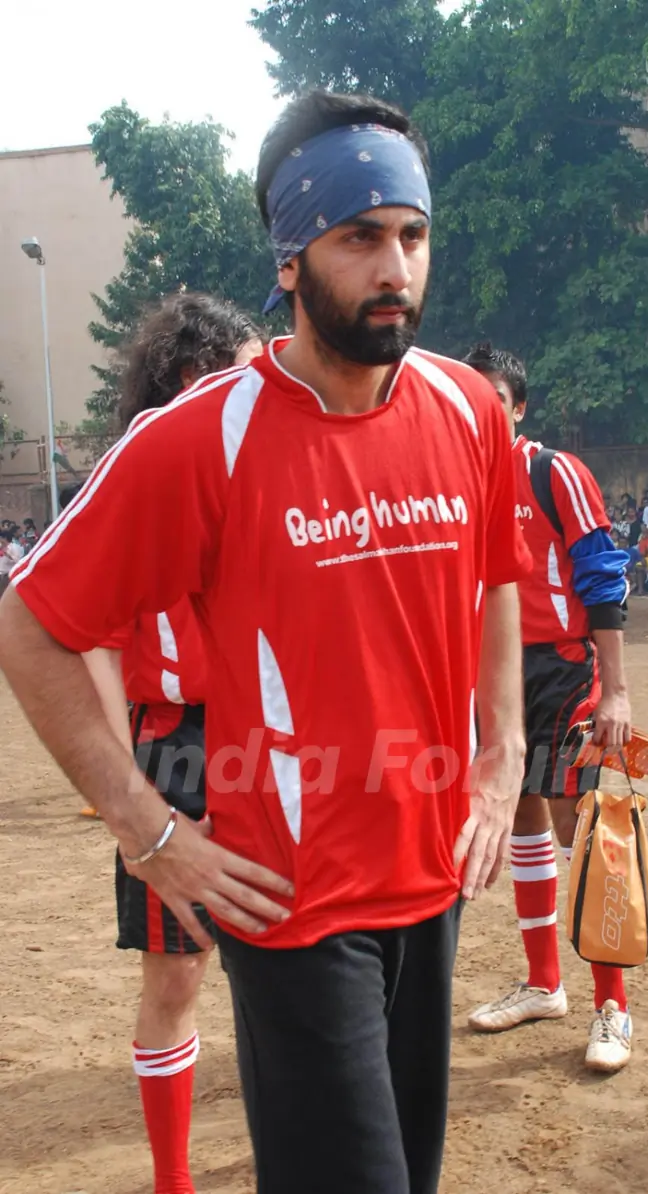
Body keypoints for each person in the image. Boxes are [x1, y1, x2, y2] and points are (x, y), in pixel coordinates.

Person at [0, 89, 530, 1194]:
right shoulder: (201, 440)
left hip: (431, 881)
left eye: (412, 236)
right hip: (288, 906)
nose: (395, 266)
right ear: (291, 258)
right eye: (358, 237)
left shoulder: (470, 411)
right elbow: (31, 624)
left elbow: (493, 577)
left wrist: (501, 755)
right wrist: (144, 829)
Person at [83, 294, 262, 1194]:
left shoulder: (265, 473)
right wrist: (123, 788)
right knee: (177, 978)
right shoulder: (134, 478)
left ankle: (308, 1139)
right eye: (244, 368)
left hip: (275, 742)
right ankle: (173, 1180)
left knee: (294, 961)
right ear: (195, 378)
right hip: (178, 747)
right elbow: (84, 639)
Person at [462, 342, 634, 1073]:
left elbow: (600, 574)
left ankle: (613, 1007)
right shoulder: (454, 481)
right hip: (493, 673)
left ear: (518, 407)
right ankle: (542, 984)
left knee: (584, 826)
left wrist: (617, 689)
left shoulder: (551, 471)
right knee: (521, 816)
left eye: (494, 402)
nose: (481, 416)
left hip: (565, 670)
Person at [0, 528, 24, 595]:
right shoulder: (1, 547)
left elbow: (17, 560)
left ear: (4, 538)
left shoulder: (14, 547)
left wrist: (7, 554)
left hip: (8, 574)